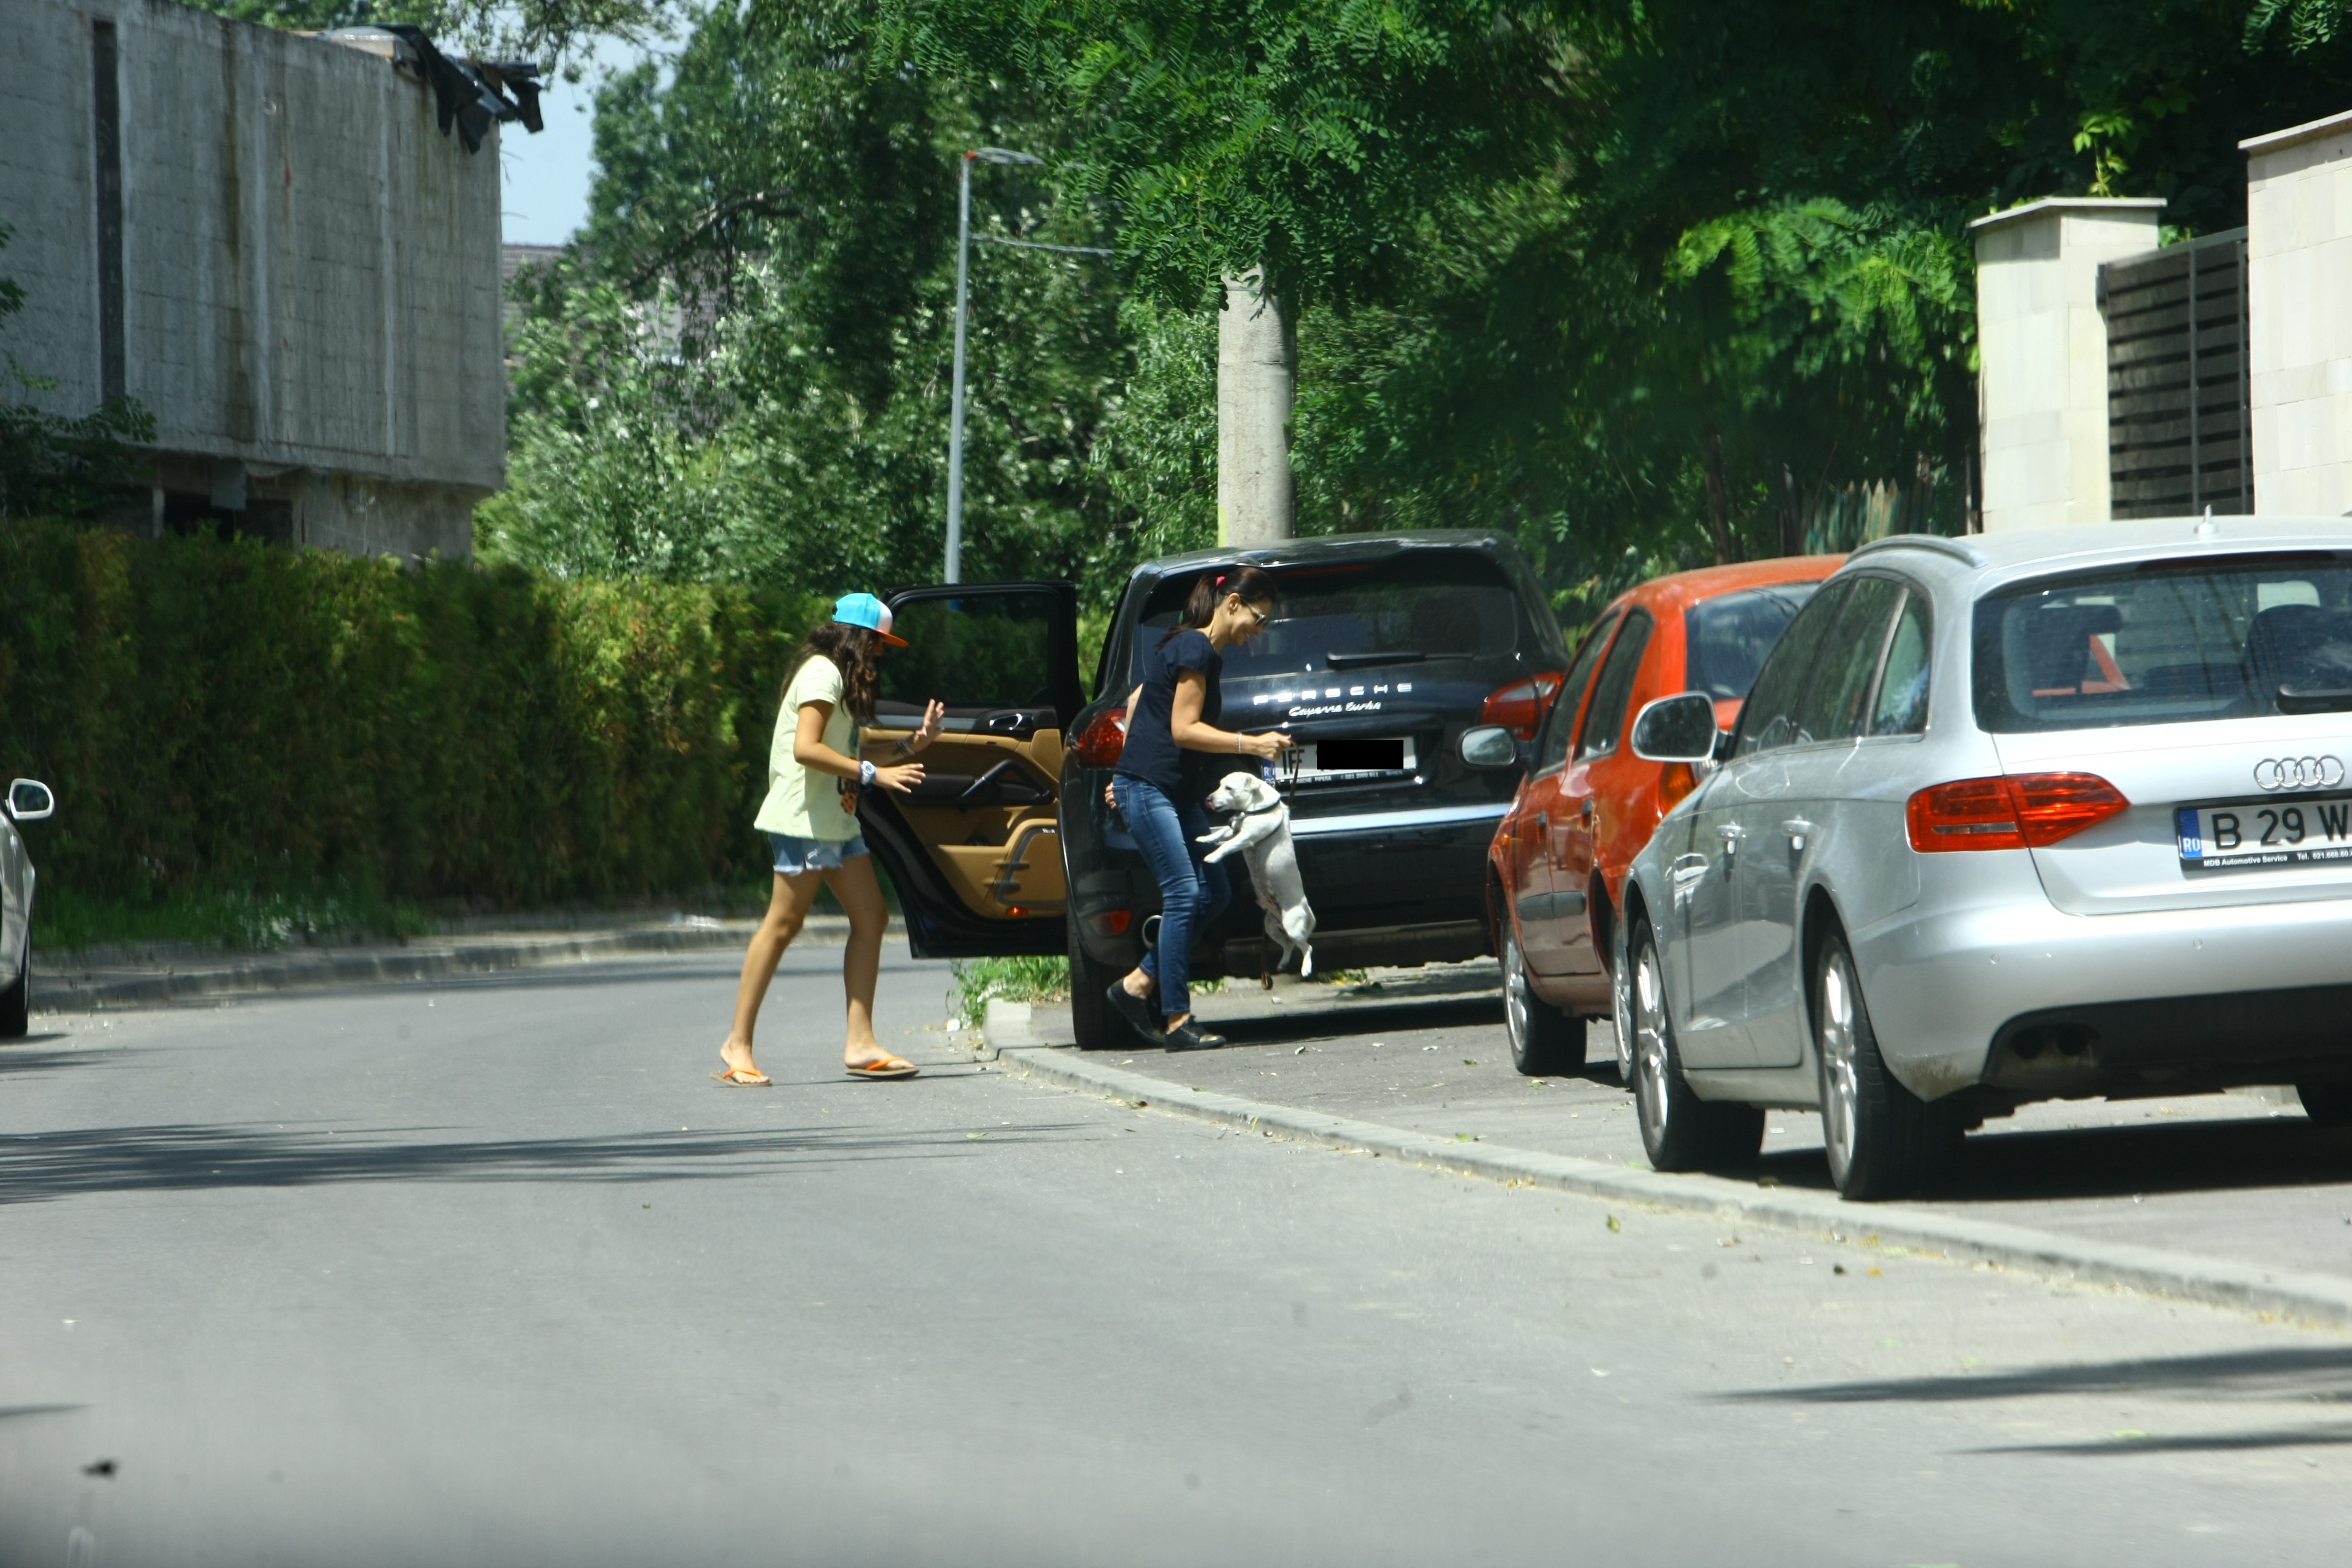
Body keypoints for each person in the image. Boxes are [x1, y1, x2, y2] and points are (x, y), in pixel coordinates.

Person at [717, 592, 944, 1085]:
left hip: (835, 821)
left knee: (872, 917)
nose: (881, 655)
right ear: (856, 639)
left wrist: (911, 745)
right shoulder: (822, 673)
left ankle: (860, 1043)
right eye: (879, 644)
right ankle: (737, 1043)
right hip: (803, 820)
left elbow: (846, 746)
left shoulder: (838, 680)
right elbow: (806, 749)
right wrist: (872, 775)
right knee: (783, 924)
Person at [1105, 567, 1292, 1050]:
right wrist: (1250, 744)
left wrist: (1127, 765)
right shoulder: (1196, 649)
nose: (1259, 629)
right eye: (1257, 617)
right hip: (1150, 791)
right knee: (1185, 892)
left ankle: (1136, 986)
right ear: (1231, 604)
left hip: (1168, 791)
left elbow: (1138, 699)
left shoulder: (1193, 648)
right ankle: (1176, 1019)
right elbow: (1184, 729)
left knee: (1216, 892)